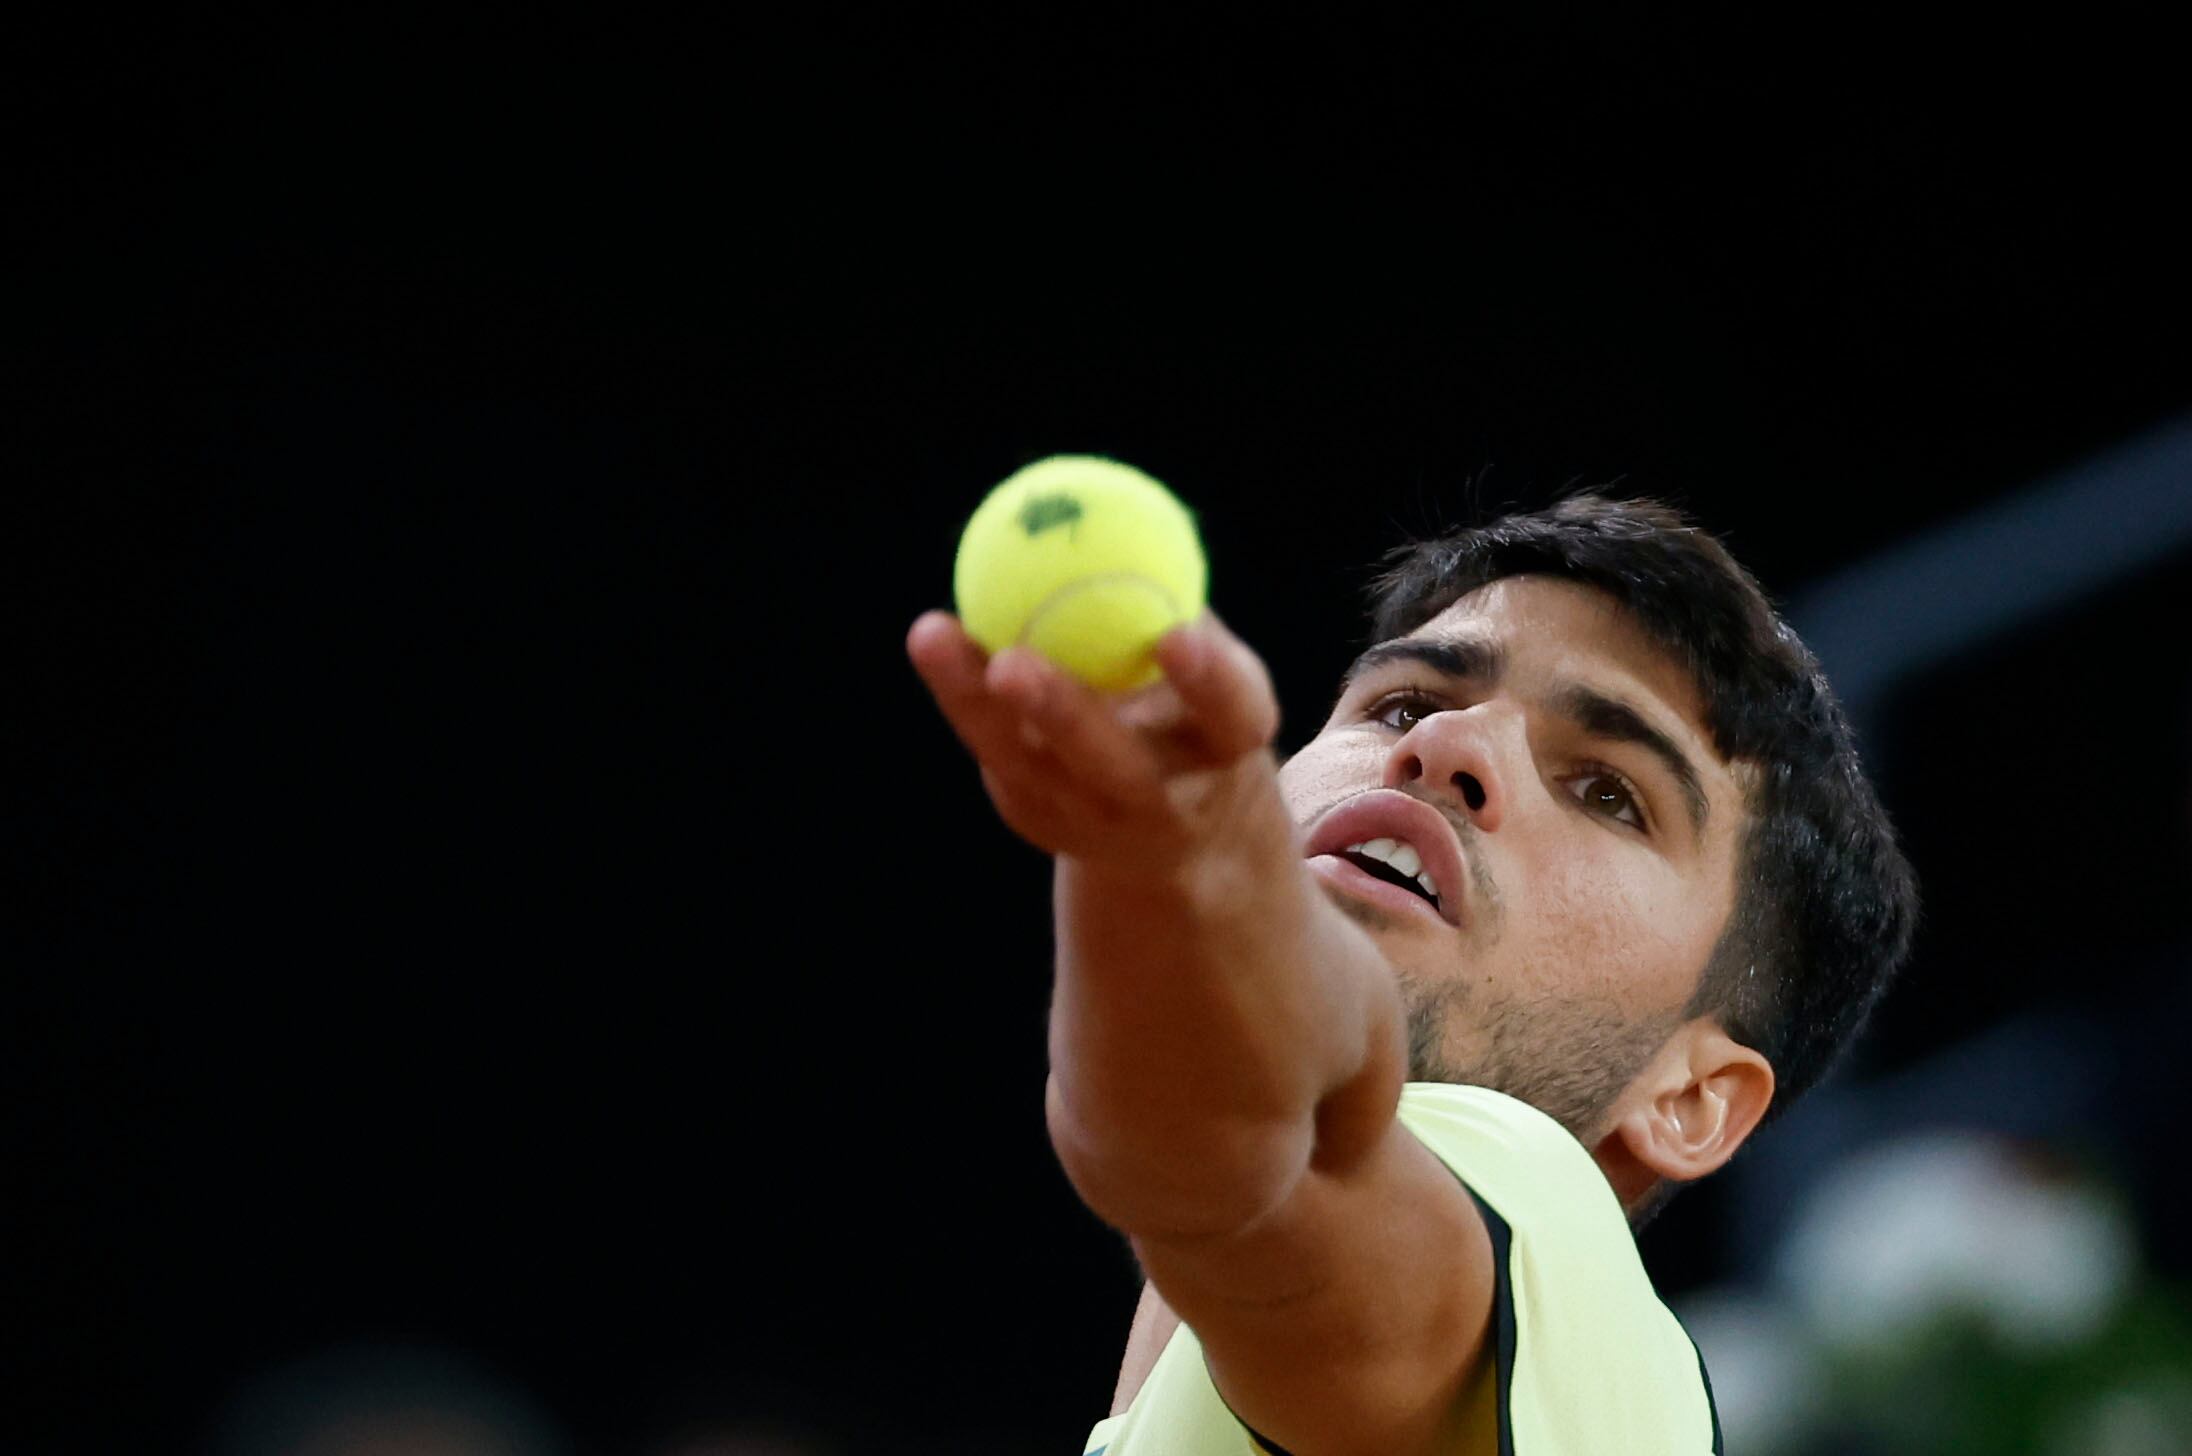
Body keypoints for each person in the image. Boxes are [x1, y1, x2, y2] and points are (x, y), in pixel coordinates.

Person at [907, 494, 1918, 1456]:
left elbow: (1244, 1157)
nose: (1447, 744)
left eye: (1608, 792)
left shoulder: (1539, 1213)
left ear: (1691, 1096)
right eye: (1400, 706)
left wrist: (1158, 882)